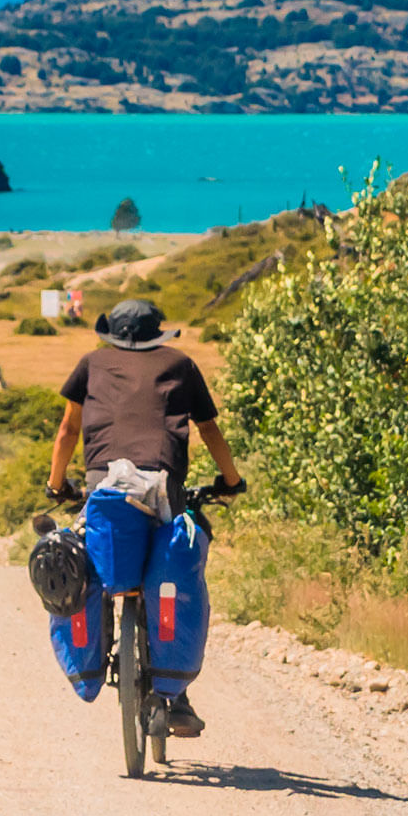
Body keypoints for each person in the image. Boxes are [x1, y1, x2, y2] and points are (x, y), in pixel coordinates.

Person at [46, 296, 242, 738]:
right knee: (167, 568)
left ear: (111, 334)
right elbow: (209, 429)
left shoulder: (92, 364)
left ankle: (98, 654)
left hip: (102, 485)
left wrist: (57, 486)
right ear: (158, 334)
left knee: (92, 563)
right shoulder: (180, 364)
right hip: (163, 482)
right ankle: (176, 696)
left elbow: (67, 431)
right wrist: (230, 480)